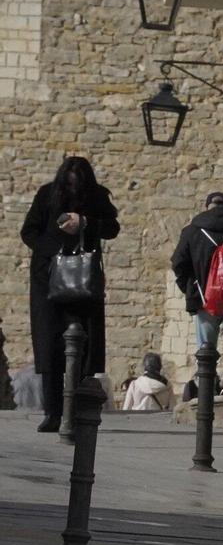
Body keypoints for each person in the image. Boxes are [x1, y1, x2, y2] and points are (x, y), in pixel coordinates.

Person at [19, 156, 121, 432]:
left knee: (81, 349)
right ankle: (52, 412)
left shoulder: (96, 197)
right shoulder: (47, 196)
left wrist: (85, 222)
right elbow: (28, 232)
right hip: (48, 282)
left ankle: (74, 410)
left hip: (84, 283)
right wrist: (55, 250)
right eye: (70, 182)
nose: (74, 187)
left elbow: (112, 228)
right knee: (51, 348)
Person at [169, 192, 223, 377]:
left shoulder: (192, 230)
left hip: (205, 298)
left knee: (205, 349)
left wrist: (191, 288)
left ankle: (207, 390)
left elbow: (178, 263)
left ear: (207, 207)